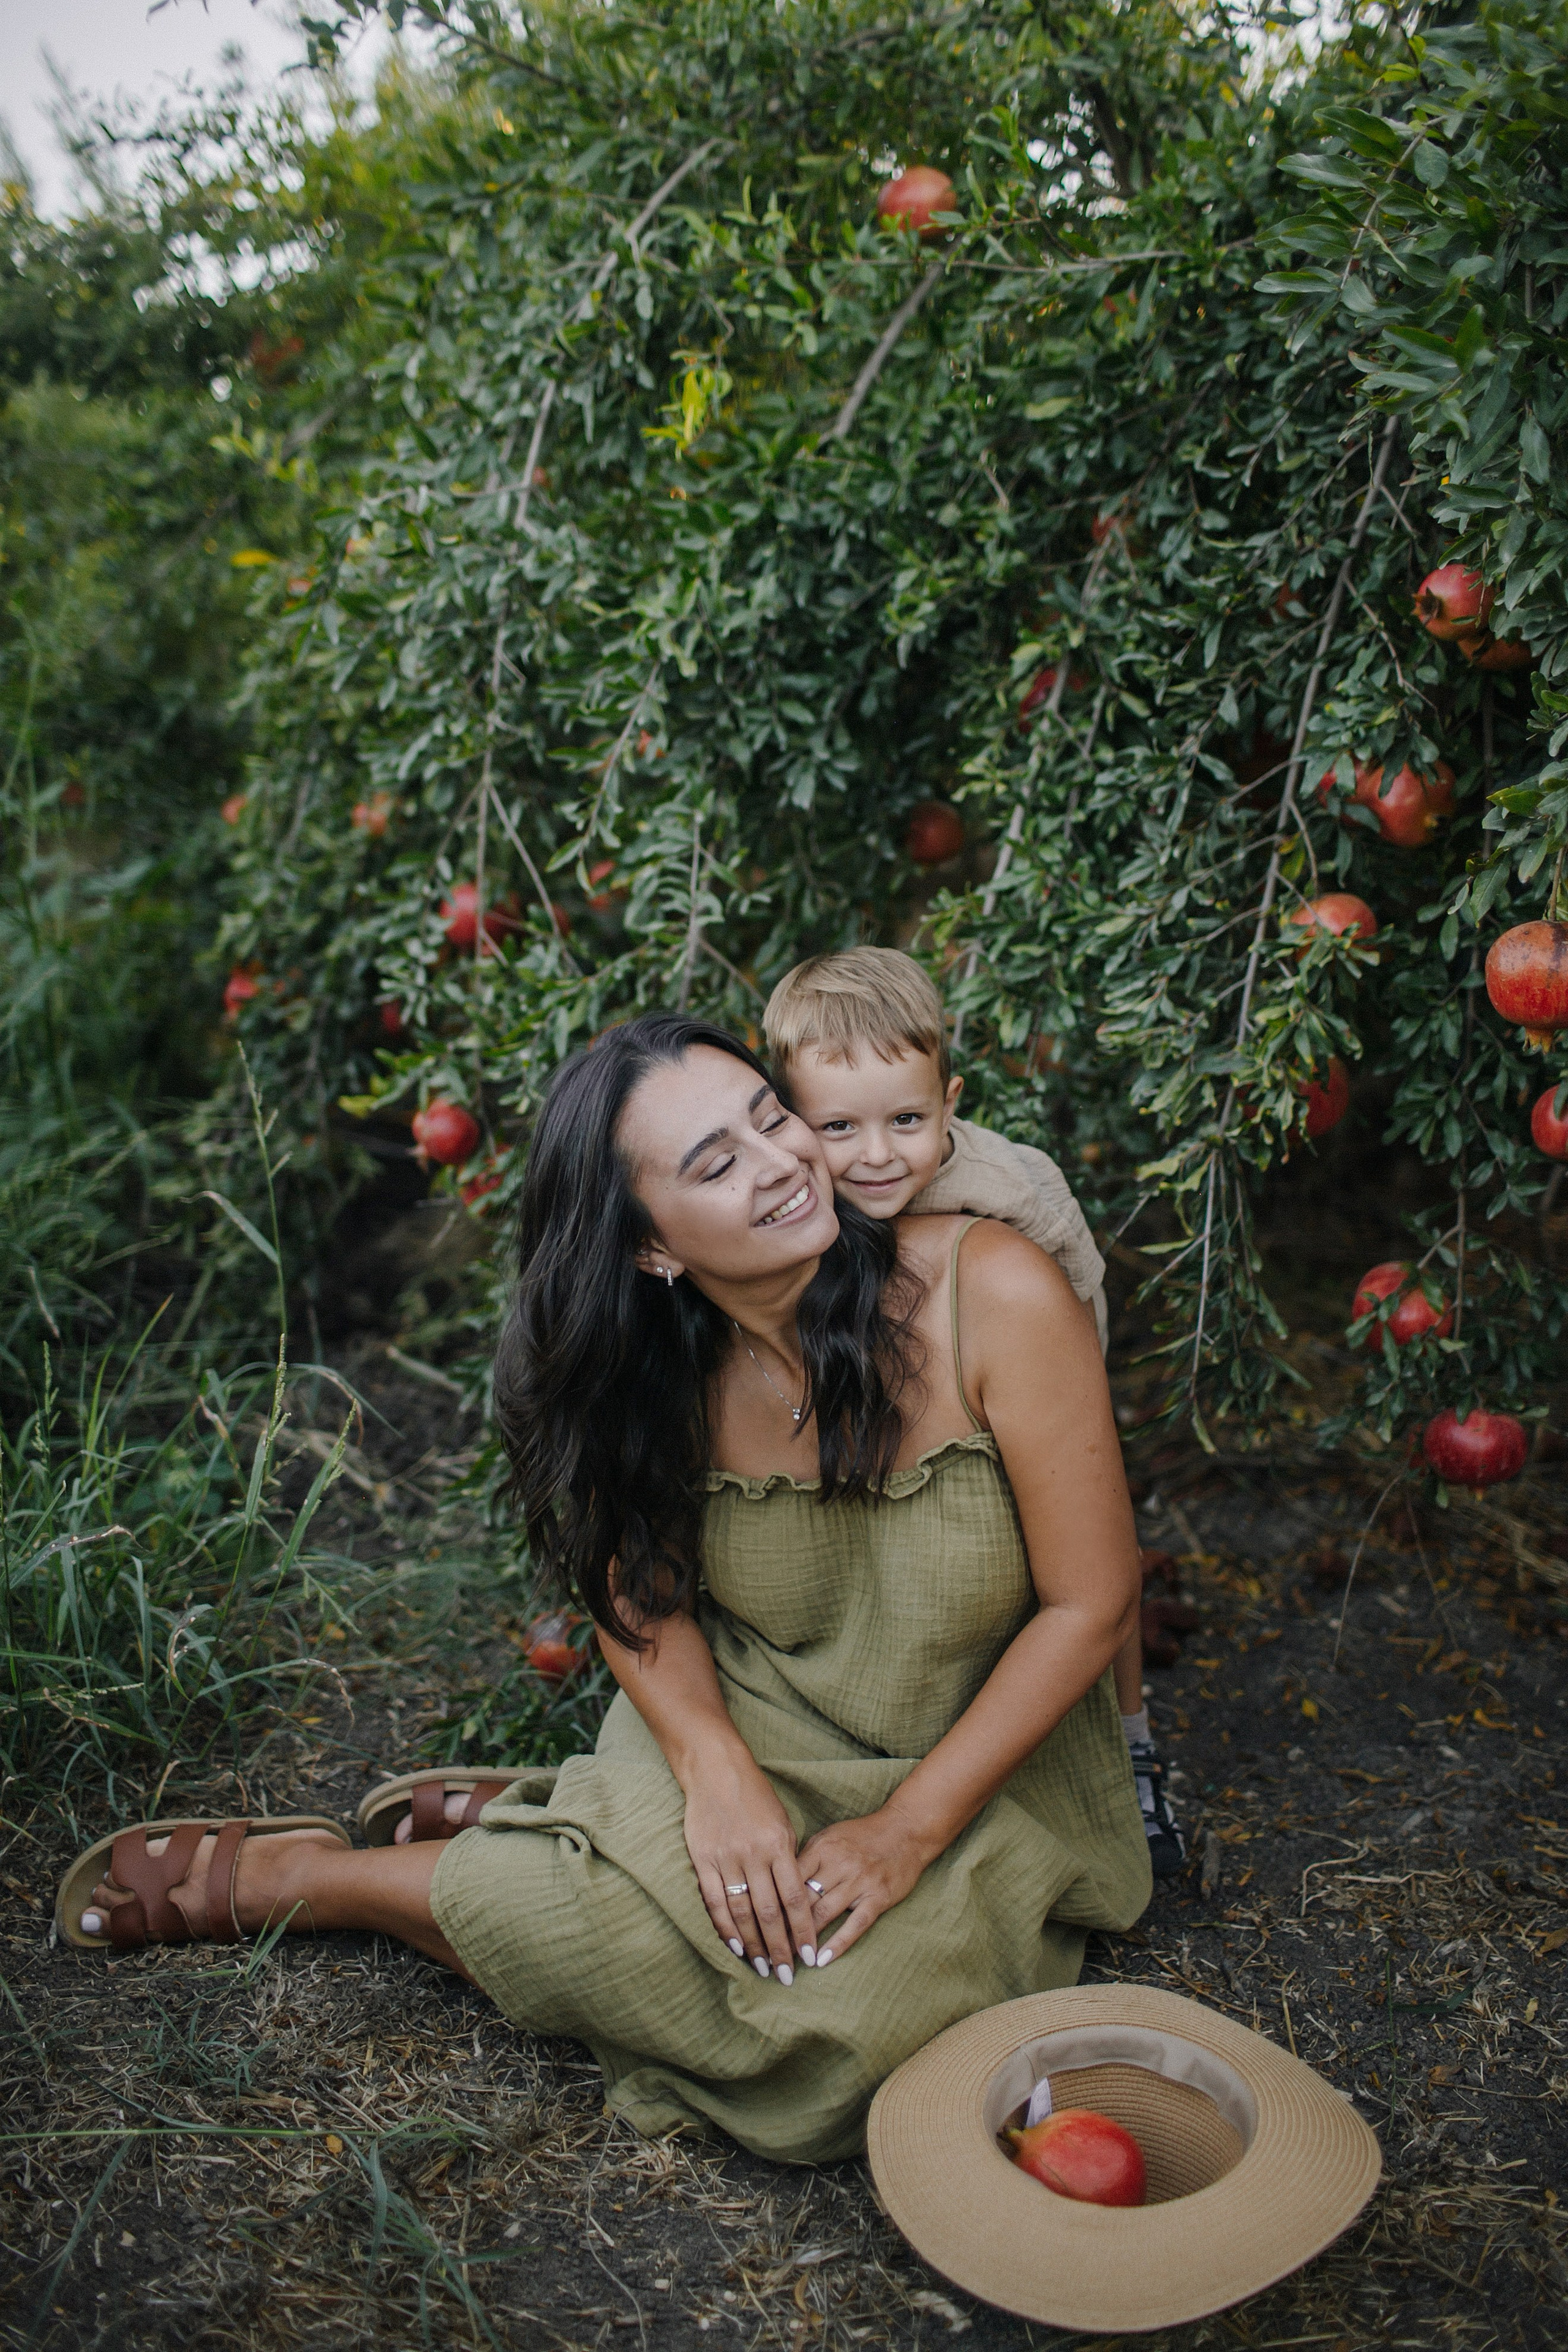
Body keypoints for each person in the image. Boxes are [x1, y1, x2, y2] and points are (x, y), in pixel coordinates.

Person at [60, 1012, 1149, 2165]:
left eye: (770, 1117)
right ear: (652, 1248)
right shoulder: (660, 1369)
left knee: (854, 2039)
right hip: (754, 1723)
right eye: (717, 1164)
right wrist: (714, 1770)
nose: (781, 1162)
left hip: (981, 1777)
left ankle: (559, 1845)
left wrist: (903, 1834)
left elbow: (1094, 1602)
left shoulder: (992, 1292)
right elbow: (637, 1591)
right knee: (689, 1939)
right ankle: (319, 1880)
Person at [764, 948, 1184, 1876]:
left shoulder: (1011, 1193)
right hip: (903, 1397)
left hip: (1029, 1380)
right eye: (840, 1126)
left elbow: (1077, 1305)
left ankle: (1133, 1747)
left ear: (949, 1101)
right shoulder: (788, 1189)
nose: (878, 1155)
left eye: (908, 1120)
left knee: (1088, 1571)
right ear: (790, 1119)